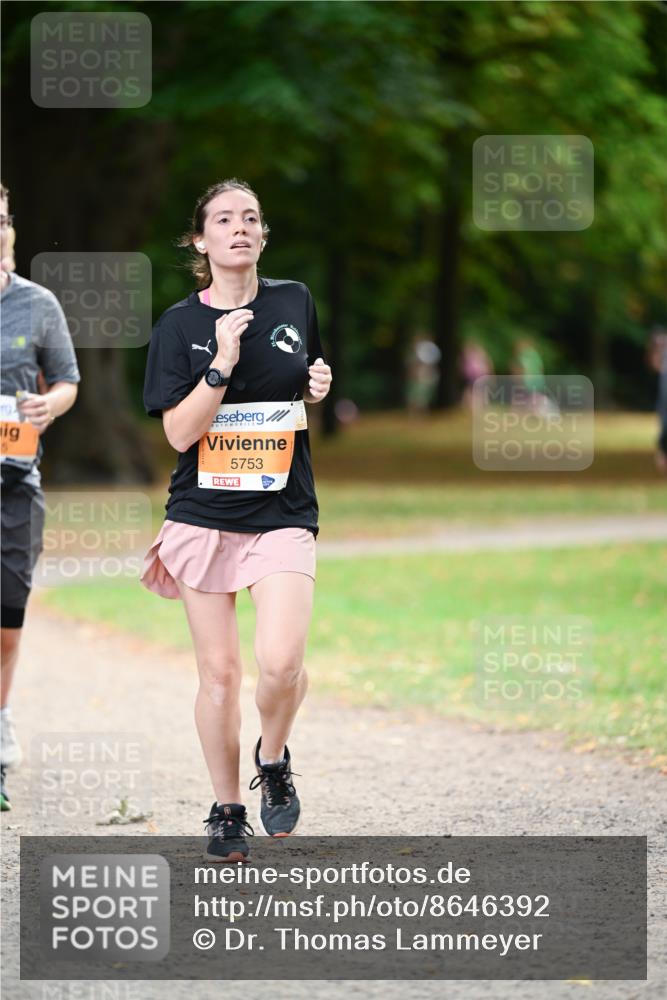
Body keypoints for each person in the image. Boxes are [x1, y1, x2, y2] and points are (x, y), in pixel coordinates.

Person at [140, 178, 332, 862]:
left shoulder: (293, 301)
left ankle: (272, 756)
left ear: (261, 235)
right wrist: (218, 363)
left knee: (280, 663)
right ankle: (226, 809)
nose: (239, 228)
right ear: (202, 240)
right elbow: (178, 435)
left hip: (282, 509)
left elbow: (306, 376)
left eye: (251, 218)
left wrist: (318, 384)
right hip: (203, 513)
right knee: (218, 674)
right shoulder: (178, 327)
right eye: (224, 219)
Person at [0, 182, 80, 810]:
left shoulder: (37, 304)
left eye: (1, 218)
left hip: (14, 481)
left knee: (6, 623)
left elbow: (68, 383)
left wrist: (47, 404)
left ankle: (0, 714)